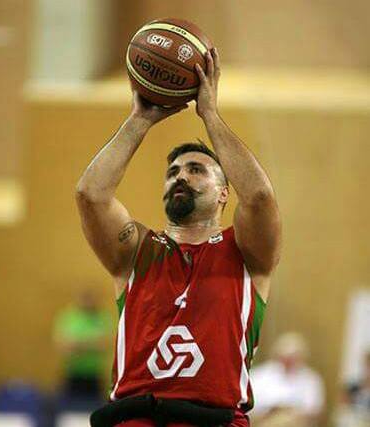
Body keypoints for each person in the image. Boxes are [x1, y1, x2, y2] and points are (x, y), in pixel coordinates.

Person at [75, 48, 281, 427]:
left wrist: (210, 115)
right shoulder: (137, 250)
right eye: (172, 172)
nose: (180, 176)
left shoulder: (246, 251)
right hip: (134, 417)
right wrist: (139, 120)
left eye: (196, 170)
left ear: (224, 193)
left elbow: (259, 197)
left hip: (213, 419)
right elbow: (91, 195)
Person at [250, 332, 325, 427]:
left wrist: (289, 411)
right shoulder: (260, 374)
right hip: (264, 420)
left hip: (297, 421)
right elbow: (250, 405)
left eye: (294, 357)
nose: (289, 361)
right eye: (285, 357)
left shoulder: (311, 379)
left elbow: (314, 410)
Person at [54, 288, 111, 402]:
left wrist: (78, 344)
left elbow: (104, 344)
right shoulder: (69, 317)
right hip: (72, 374)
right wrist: (91, 343)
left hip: (94, 375)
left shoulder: (102, 317)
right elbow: (64, 347)